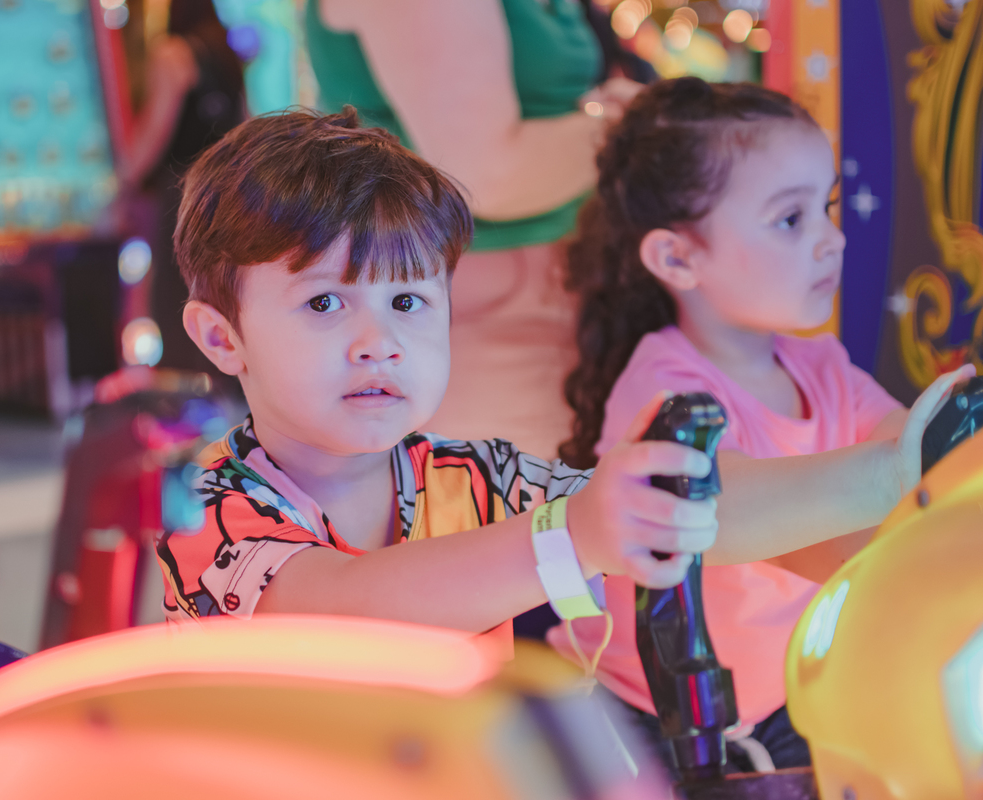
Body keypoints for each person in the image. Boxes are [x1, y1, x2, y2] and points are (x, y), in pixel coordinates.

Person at [155, 107, 967, 648]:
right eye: (325, 301)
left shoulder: (474, 476)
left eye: (407, 298)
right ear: (222, 337)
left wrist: (902, 483)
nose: (379, 341)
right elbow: (352, 607)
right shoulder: (206, 514)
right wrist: (578, 533)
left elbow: (685, 509)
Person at [555, 77, 975, 774]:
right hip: (642, 721)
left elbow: (909, 452)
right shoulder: (662, 386)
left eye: (828, 208)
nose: (832, 239)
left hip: (780, 705)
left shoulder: (820, 366)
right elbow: (709, 509)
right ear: (676, 258)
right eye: (791, 219)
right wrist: (900, 473)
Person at [304, 0, 644, 462]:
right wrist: (622, 127)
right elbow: (486, 175)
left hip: (553, 297)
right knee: (511, 510)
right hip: (478, 311)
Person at [118, 0, 244, 385]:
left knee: (177, 312)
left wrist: (119, 177)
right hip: (226, 199)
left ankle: (187, 423)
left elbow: (154, 133)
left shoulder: (172, 52)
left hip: (182, 199)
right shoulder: (226, 52)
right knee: (217, 302)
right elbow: (243, 123)